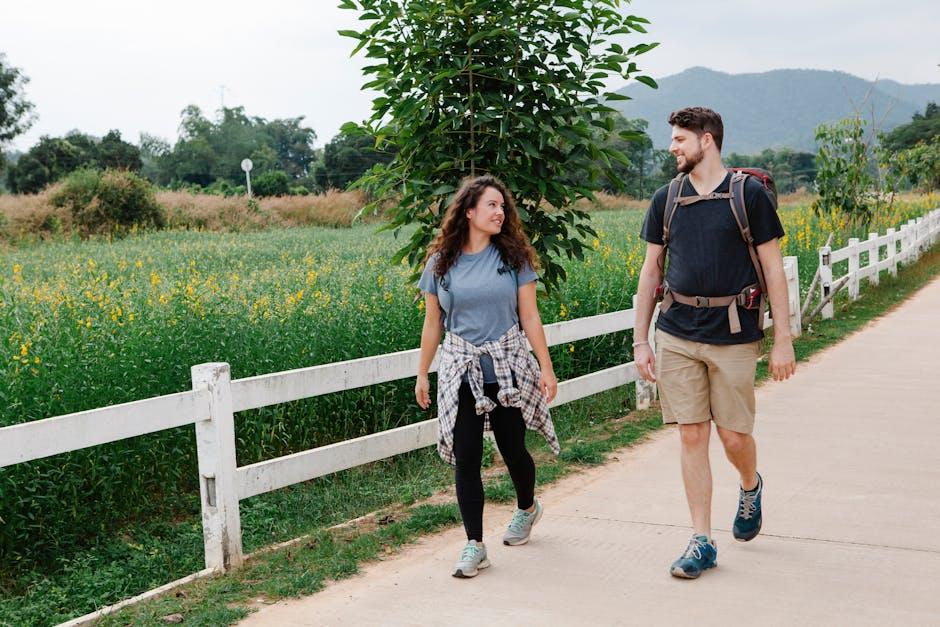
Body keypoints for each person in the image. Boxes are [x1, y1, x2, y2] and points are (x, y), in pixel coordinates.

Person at [633, 107, 796, 579]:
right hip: (678, 332)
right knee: (691, 433)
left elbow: (772, 268)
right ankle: (701, 540)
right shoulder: (667, 198)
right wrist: (641, 340)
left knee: (733, 436)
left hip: (734, 334)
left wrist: (782, 338)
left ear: (708, 140)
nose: (672, 147)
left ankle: (749, 484)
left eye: (680, 139)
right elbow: (651, 271)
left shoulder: (749, 196)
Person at [414, 174, 560, 579]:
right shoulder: (440, 263)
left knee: (514, 449)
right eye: (492, 205)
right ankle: (474, 544)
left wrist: (546, 367)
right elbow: (432, 324)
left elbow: (530, 316)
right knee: (467, 458)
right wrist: (423, 373)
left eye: (503, 206)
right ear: (469, 211)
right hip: (460, 370)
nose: (500, 212)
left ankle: (528, 508)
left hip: (506, 368)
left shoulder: (514, 259)